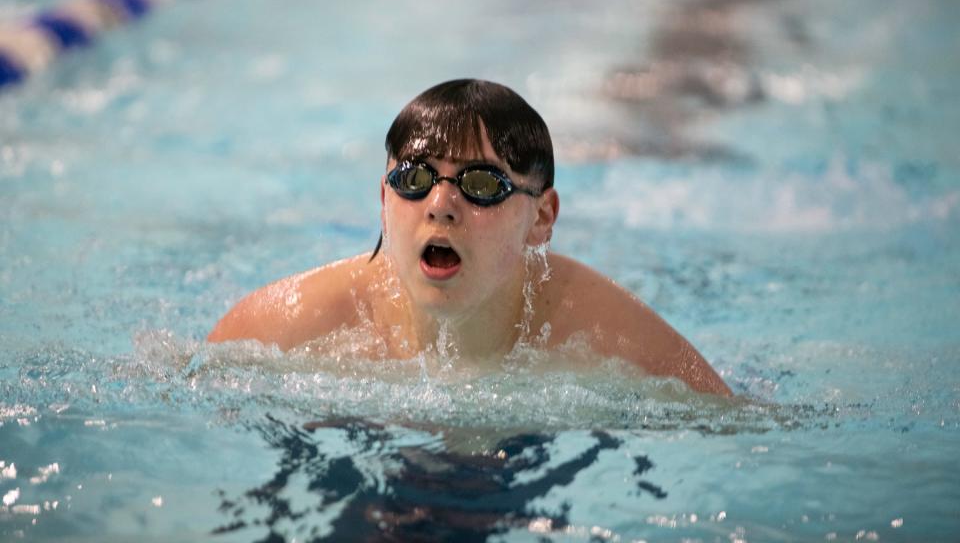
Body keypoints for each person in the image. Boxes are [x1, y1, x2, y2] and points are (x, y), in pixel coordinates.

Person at [208, 79, 731, 396]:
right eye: (413, 180)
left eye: (481, 184)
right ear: (384, 202)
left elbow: (745, 430)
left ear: (542, 217)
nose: (440, 205)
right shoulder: (292, 325)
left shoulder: (604, 335)